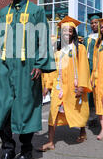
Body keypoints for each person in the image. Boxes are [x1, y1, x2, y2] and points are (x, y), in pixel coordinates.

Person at [0, 0, 55, 159]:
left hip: (27, 68)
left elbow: (42, 38)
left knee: (25, 107)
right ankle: (8, 148)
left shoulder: (36, 11)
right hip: (4, 66)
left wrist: (40, 64)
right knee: (3, 108)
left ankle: (26, 148)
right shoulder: (3, 12)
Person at [37, 16, 91, 151]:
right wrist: (47, 85)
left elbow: (84, 68)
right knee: (53, 112)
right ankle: (50, 142)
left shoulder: (80, 49)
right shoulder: (58, 52)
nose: (67, 33)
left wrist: (82, 87)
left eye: (70, 31)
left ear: (74, 33)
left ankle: (82, 131)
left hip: (74, 86)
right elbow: (52, 70)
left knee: (78, 109)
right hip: (59, 86)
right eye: (64, 31)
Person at [81, 12, 103, 135]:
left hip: (98, 68)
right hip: (87, 68)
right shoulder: (87, 38)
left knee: (98, 92)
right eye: (92, 23)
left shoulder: (102, 38)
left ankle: (102, 115)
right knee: (89, 92)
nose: (94, 25)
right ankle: (92, 116)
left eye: (96, 23)